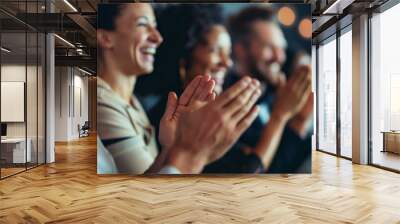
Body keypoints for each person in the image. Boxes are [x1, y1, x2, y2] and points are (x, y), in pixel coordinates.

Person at [96, 3, 262, 174]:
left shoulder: (133, 103)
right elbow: (148, 193)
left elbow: (154, 175)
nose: (157, 38)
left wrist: (172, 147)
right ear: (105, 38)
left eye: (155, 26)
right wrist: (192, 151)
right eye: (142, 24)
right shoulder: (100, 102)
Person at [204, 6, 313, 173]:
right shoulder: (225, 100)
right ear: (241, 50)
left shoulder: (275, 92)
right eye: (270, 48)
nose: (280, 57)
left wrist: (301, 117)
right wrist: (284, 116)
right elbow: (257, 173)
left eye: (281, 48)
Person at [136, 4, 233, 148]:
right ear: (183, 58)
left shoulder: (217, 112)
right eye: (215, 50)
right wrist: (278, 117)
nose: (227, 62)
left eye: (228, 52)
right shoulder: (163, 123)